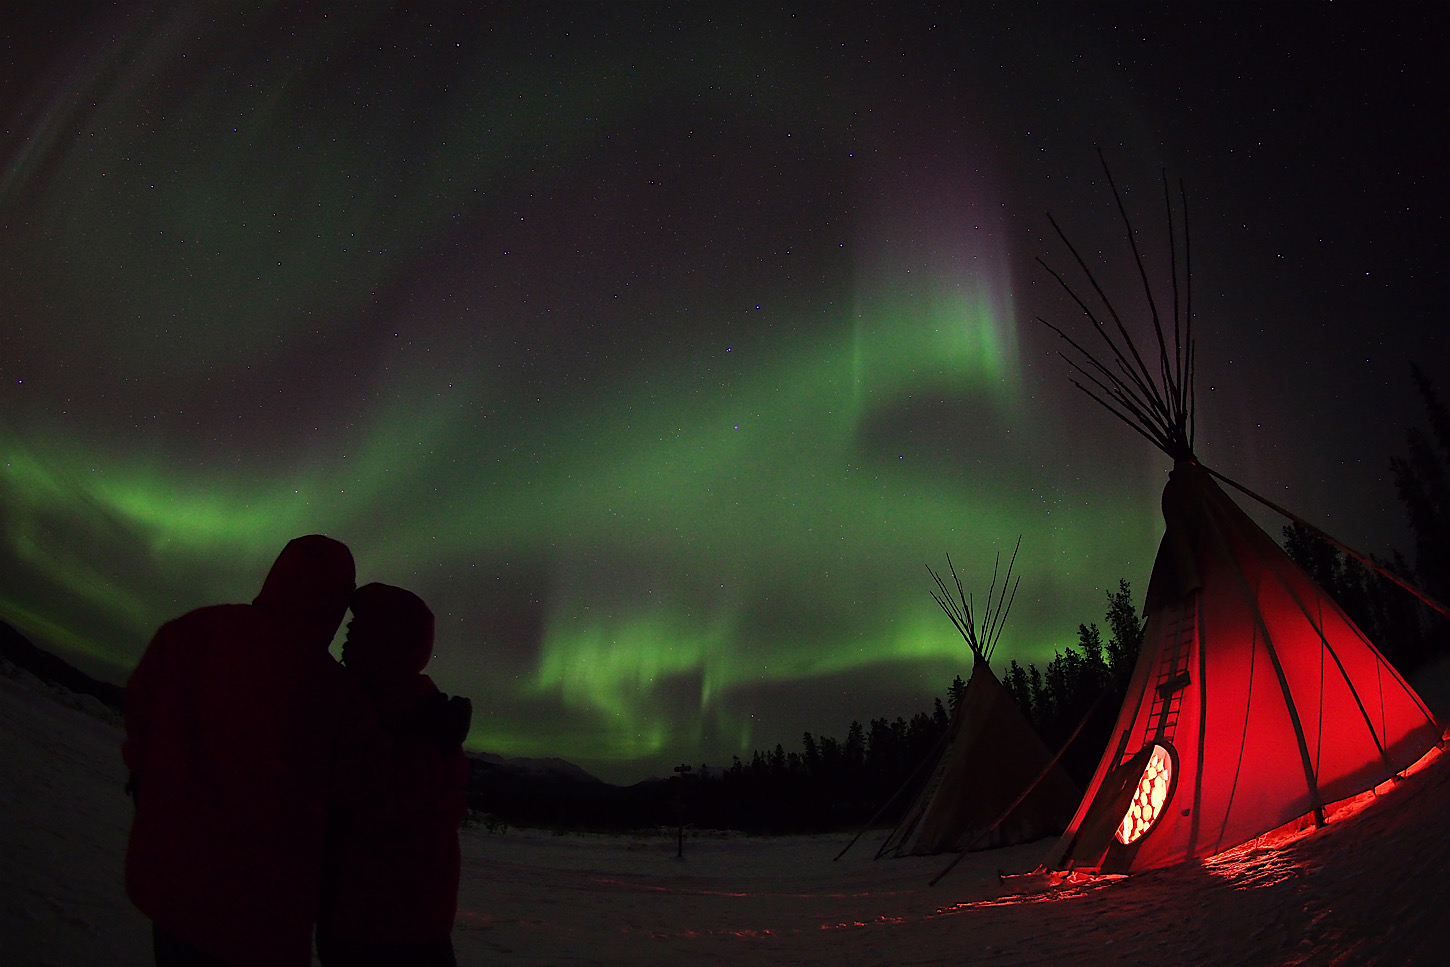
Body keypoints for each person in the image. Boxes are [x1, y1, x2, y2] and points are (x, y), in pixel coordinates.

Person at [123, 535, 378, 967]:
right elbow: (359, 792)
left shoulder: (191, 631)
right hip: (261, 915)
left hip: (169, 878)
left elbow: (141, 719)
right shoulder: (338, 694)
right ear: (336, 602)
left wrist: (148, 788)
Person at [316, 582, 471, 967]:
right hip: (373, 917)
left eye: (360, 625)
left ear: (386, 640)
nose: (347, 632)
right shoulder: (410, 708)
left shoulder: (402, 710)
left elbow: (389, 800)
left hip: (390, 924)